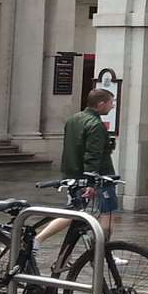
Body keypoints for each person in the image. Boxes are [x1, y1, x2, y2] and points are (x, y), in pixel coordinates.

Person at [34, 89, 117, 254]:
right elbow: (92, 155)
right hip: (98, 177)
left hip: (73, 174)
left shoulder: (73, 119)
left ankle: (38, 239)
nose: (112, 106)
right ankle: (103, 253)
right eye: (111, 102)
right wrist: (92, 181)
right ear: (101, 104)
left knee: (74, 212)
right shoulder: (95, 125)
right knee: (107, 214)